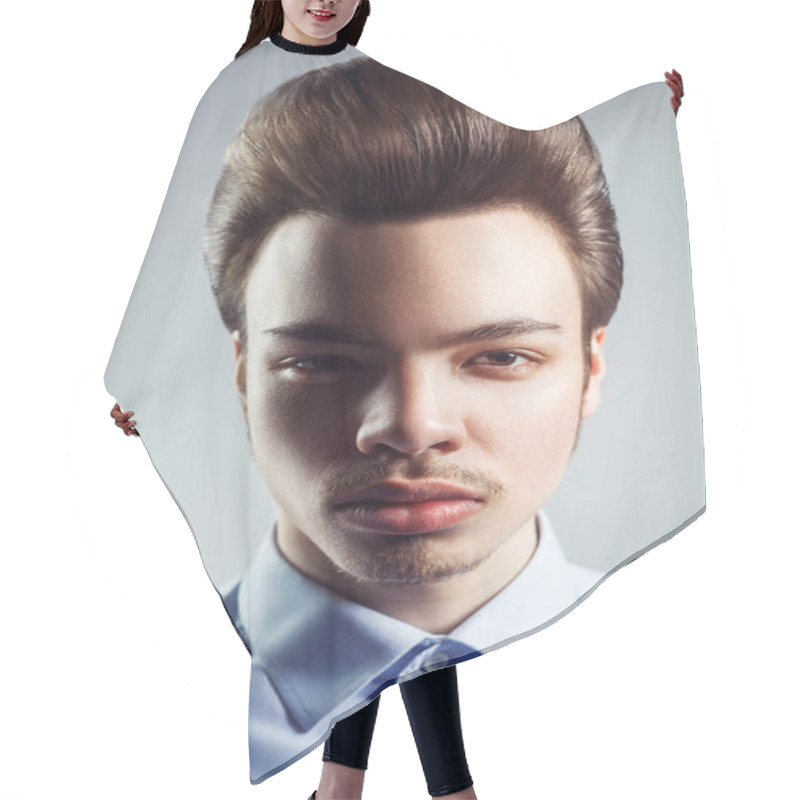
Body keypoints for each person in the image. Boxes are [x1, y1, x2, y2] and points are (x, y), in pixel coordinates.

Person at [109, 3, 686, 798]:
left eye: (499, 355)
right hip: (281, 385)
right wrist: (142, 372)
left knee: (387, 593)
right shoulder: (236, 88)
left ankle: (349, 788)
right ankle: (423, 790)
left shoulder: (378, 81)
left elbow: (508, 144)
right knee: (385, 588)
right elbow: (181, 238)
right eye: (320, 358)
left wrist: (636, 125)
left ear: (592, 364)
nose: (415, 428)